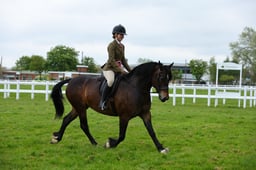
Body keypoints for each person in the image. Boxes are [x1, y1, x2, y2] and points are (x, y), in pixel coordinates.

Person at [99, 24, 132, 110]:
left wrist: (130, 71)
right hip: (109, 68)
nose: (122, 36)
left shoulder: (122, 46)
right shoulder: (111, 45)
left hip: (118, 68)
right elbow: (111, 60)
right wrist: (121, 70)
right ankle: (103, 101)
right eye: (121, 34)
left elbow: (123, 60)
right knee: (110, 81)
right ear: (115, 35)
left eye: (123, 35)